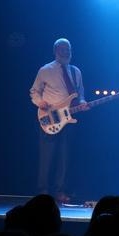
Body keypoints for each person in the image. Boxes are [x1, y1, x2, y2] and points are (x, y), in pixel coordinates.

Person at [30, 38, 88, 203]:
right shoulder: (45, 70)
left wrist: (82, 102)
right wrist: (40, 102)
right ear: (56, 51)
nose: (66, 52)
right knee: (47, 156)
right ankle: (43, 191)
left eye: (68, 49)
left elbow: (80, 94)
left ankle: (60, 191)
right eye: (63, 49)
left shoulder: (76, 71)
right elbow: (34, 91)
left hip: (68, 118)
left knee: (65, 156)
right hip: (49, 117)